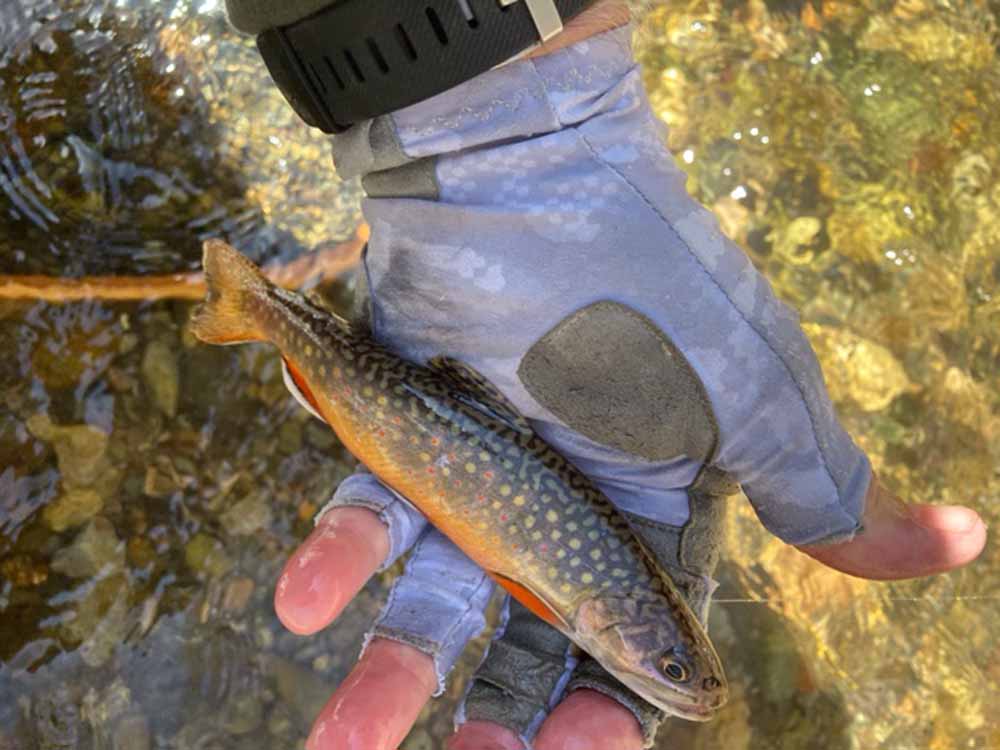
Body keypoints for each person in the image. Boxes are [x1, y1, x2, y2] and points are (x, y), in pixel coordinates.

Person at [223, 1, 988, 748]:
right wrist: (511, 106)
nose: (687, 689)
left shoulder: (614, 595)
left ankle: (270, 313)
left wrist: (461, 106)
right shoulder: (597, 598)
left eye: (674, 668)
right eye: (669, 667)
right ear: (617, 625)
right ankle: (264, 311)